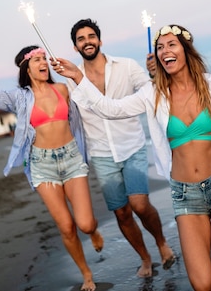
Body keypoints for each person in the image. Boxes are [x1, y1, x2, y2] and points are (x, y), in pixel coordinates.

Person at [53, 24, 211, 291]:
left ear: (185, 49)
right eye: (160, 47)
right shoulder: (153, 93)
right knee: (203, 284)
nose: (165, 51)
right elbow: (110, 109)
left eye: (171, 44)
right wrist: (79, 77)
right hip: (185, 193)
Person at [0, 42, 104, 291]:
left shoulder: (63, 89)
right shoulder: (20, 97)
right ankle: (86, 273)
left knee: (85, 224)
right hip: (42, 165)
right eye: (36, 60)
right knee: (66, 226)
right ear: (26, 68)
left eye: (44, 58)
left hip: (72, 159)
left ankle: (93, 232)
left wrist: (76, 73)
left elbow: (93, 99)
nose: (43, 63)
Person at [69, 18, 176, 277]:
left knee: (139, 204)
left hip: (133, 146)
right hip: (101, 154)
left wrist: (154, 72)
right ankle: (145, 258)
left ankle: (162, 244)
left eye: (91, 36)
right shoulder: (71, 80)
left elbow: (152, 89)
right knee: (122, 212)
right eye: (81, 39)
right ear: (75, 47)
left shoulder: (126, 66)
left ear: (100, 40)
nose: (87, 41)